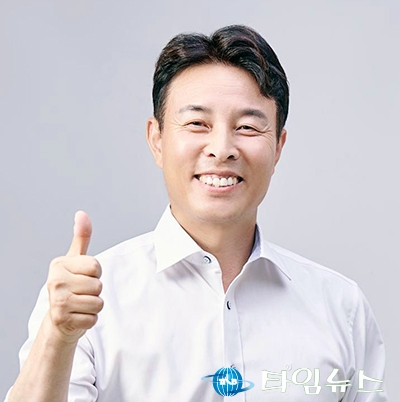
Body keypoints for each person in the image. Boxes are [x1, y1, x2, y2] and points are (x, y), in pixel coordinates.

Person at [5, 25, 387, 401]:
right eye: (197, 124)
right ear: (157, 139)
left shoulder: (341, 307)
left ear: (278, 146)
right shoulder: (88, 300)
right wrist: (58, 338)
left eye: (247, 127)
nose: (221, 148)